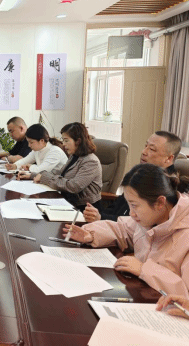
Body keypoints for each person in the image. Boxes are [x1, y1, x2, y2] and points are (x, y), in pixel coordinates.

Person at [64, 164, 189, 297]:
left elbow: (185, 293)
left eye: (134, 206)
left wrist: (144, 269)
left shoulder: (185, 234)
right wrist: (91, 234)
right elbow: (122, 229)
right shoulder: (151, 218)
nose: (131, 213)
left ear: (160, 203)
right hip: (142, 295)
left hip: (166, 306)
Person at [83, 131, 181, 223]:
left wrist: (100, 218)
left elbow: (136, 224)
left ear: (169, 158)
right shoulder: (143, 174)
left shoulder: (167, 187)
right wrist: (97, 215)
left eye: (151, 149)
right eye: (145, 146)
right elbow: (116, 207)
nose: (144, 152)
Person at [33, 122, 102, 210]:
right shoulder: (74, 156)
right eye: (63, 140)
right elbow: (60, 173)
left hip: (84, 209)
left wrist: (44, 177)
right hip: (68, 203)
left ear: (78, 141)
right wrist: (34, 175)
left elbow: (73, 186)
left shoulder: (91, 161)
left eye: (66, 140)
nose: (63, 144)